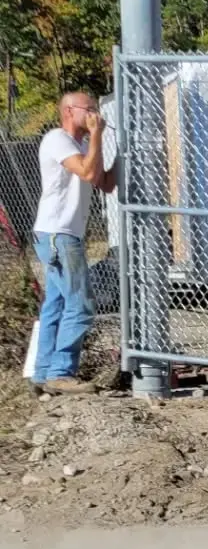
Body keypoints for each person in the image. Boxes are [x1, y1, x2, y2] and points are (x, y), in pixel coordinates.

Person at [32, 92, 117, 394]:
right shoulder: (57, 139)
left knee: (55, 304)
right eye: (89, 109)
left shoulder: (81, 144)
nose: (95, 113)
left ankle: (42, 373)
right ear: (69, 111)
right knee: (81, 304)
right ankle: (60, 372)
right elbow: (88, 171)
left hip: (63, 234)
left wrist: (121, 152)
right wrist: (96, 134)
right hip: (59, 234)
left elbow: (104, 183)